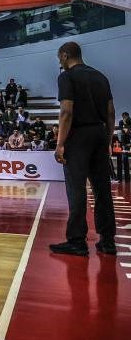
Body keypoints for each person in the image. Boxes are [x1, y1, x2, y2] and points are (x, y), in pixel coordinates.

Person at [51, 41, 115, 256]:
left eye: (60, 56)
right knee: (102, 189)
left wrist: (60, 143)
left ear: (66, 55)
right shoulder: (100, 76)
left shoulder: (66, 76)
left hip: (78, 136)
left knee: (76, 189)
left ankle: (77, 241)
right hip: (99, 132)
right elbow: (110, 111)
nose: (59, 60)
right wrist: (107, 139)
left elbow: (66, 112)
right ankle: (107, 241)